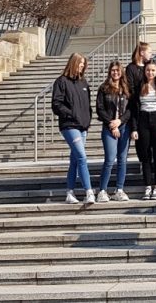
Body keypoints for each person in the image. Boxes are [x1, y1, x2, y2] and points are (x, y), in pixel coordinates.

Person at [51, 53, 95, 205]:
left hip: (82, 126)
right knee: (82, 157)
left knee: (75, 160)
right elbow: (56, 104)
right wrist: (71, 114)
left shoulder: (83, 83)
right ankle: (89, 191)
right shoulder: (61, 82)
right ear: (73, 63)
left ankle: (70, 192)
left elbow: (87, 104)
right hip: (69, 125)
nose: (82, 67)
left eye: (83, 64)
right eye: (80, 64)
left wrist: (87, 119)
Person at [96, 61, 133, 202]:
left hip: (124, 126)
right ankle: (102, 191)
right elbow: (100, 108)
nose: (115, 73)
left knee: (122, 159)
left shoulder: (127, 88)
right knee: (110, 159)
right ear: (109, 71)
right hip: (108, 127)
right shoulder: (104, 88)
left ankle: (119, 189)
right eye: (113, 70)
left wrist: (120, 121)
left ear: (121, 72)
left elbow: (131, 109)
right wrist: (112, 124)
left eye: (118, 70)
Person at [133, 60, 156, 200]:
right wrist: (134, 128)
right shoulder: (140, 85)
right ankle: (148, 186)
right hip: (143, 122)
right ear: (144, 71)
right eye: (148, 70)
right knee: (145, 156)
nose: (150, 73)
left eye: (153, 70)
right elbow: (134, 109)